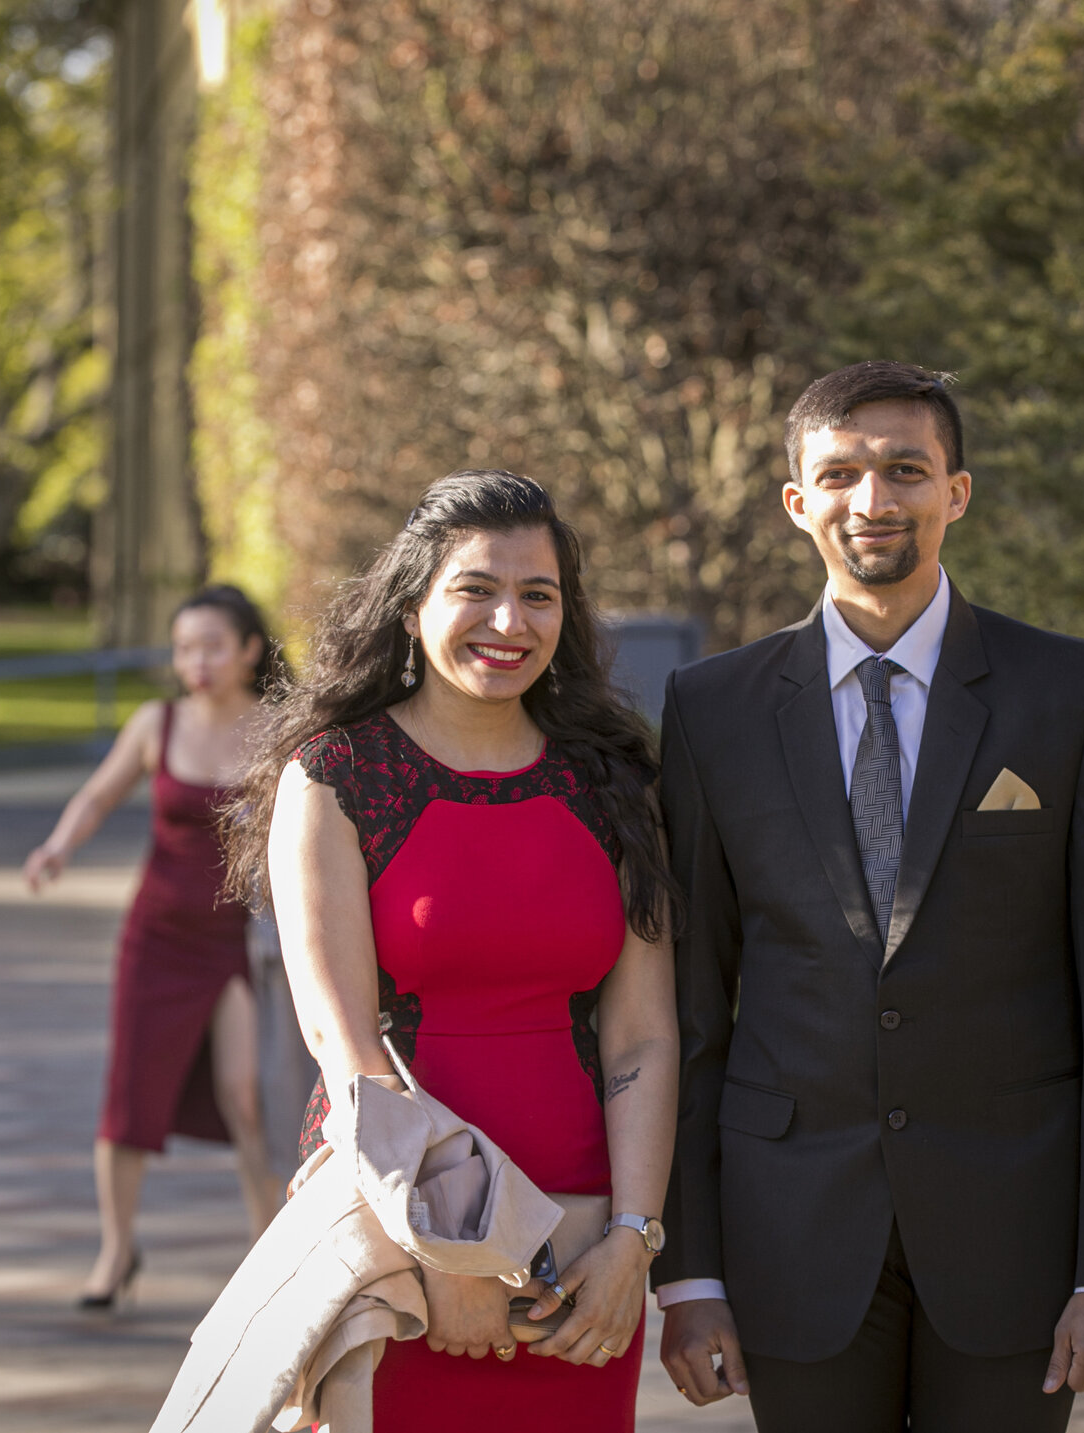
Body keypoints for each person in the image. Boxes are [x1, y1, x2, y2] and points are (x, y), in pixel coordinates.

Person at [652, 361, 1084, 1430]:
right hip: (787, 1237)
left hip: (1013, 1237)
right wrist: (688, 1270)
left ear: (955, 491)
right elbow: (691, 1009)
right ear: (796, 501)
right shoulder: (713, 711)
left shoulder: (1068, 693)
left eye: (903, 469)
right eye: (838, 473)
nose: (870, 500)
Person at [225, 470, 680, 1430]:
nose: (507, 619)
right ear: (412, 606)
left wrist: (634, 1244)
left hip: (582, 1249)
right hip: (395, 1236)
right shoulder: (337, 774)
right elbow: (341, 1041)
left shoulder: (615, 778)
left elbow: (642, 1034)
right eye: (475, 588)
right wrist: (445, 1253)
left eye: (539, 594)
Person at [24, 585, 286, 1307]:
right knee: (129, 1100)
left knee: (246, 1094)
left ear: (248, 651)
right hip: (157, 936)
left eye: (211, 646)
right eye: (183, 648)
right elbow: (98, 796)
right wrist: (56, 847)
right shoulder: (156, 720)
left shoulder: (277, 728)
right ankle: (116, 1249)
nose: (195, 662)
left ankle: (269, 1255)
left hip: (235, 937)